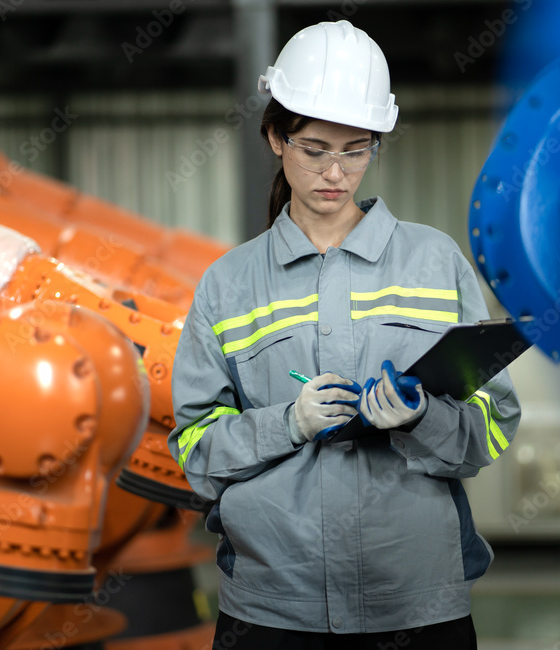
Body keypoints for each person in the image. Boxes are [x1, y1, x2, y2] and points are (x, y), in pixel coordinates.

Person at [169, 19, 520, 649]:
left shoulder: (435, 262)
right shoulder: (229, 284)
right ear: (276, 137)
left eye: (356, 149)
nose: (336, 172)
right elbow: (194, 448)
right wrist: (290, 423)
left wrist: (421, 419)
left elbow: (493, 423)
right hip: (273, 610)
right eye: (314, 149)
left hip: (416, 603)